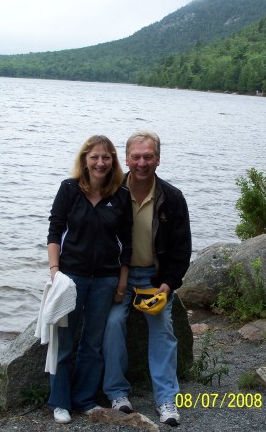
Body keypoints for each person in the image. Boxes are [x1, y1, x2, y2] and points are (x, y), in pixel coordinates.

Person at [103, 131, 192, 427]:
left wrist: (168, 285)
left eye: (148, 156)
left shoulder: (172, 198)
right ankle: (117, 392)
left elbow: (181, 249)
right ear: (126, 158)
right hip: (120, 278)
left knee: (163, 328)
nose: (142, 163)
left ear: (158, 159)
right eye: (136, 156)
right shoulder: (112, 194)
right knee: (114, 323)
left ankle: (166, 398)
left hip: (156, 278)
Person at [46, 135, 133, 424]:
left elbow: (127, 243)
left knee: (93, 343)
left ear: (113, 161)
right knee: (65, 341)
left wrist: (122, 282)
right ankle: (60, 402)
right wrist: (55, 270)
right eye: (94, 157)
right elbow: (55, 231)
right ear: (85, 159)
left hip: (106, 279)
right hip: (71, 279)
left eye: (106, 157)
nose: (100, 162)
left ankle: (84, 398)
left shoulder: (120, 196)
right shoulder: (69, 189)